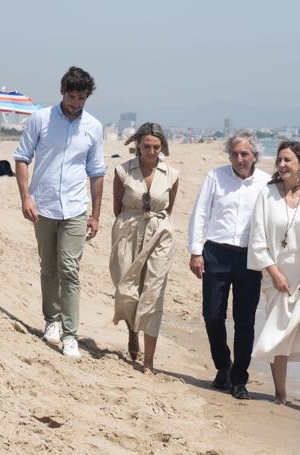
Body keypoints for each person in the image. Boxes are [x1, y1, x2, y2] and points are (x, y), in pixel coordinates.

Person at [13, 66, 106, 360]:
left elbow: (97, 172)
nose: (75, 102)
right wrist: (25, 197)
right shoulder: (39, 119)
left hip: (76, 209)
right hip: (43, 205)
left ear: (87, 97)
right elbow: (21, 158)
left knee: (70, 269)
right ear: (62, 91)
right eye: (71, 95)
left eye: (81, 97)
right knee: (48, 266)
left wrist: (95, 214)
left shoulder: (93, 127)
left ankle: (70, 334)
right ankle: (51, 320)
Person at [247, 140, 300, 415]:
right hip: (278, 278)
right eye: (280, 160)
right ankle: (280, 392)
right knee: (279, 333)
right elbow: (258, 237)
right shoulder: (267, 194)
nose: (282, 165)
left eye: (288, 160)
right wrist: (273, 272)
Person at [187, 131, 270, 399]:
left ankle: (239, 380)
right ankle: (223, 367)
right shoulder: (215, 177)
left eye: (245, 153)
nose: (239, 158)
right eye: (234, 154)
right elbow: (200, 213)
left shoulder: (267, 184)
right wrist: (195, 251)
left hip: (250, 257)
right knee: (212, 315)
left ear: (254, 155)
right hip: (216, 253)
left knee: (245, 320)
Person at [109, 122, 179, 374]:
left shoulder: (172, 174)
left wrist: (154, 224)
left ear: (162, 147)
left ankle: (149, 361)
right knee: (127, 287)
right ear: (138, 144)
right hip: (128, 229)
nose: (151, 151)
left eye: (156, 147)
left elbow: (167, 210)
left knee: (153, 290)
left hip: (159, 233)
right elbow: (116, 207)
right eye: (147, 146)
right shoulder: (122, 171)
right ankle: (132, 331)